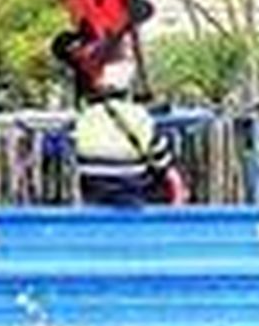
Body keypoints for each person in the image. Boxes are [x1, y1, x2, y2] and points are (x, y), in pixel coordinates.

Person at [72, 44, 188, 207]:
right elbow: (163, 164)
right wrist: (179, 197)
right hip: (132, 193)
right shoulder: (139, 116)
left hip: (93, 193)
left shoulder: (85, 118)